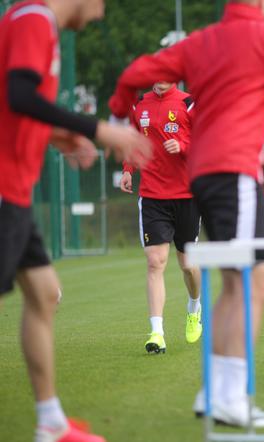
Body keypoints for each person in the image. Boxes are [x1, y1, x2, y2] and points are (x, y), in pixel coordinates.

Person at [108, 0, 264, 427]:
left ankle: (213, 392)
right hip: (235, 172)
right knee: (254, 286)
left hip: (202, 175)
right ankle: (232, 398)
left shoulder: (201, 40)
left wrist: (115, 113)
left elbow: (131, 77)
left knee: (235, 287)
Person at [0, 1, 151, 441]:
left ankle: (51, 423)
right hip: (4, 190)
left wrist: (62, 137)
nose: (102, 13)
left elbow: (15, 111)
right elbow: (20, 95)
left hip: (16, 192)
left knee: (45, 295)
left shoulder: (27, 21)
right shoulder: (34, 20)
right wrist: (97, 129)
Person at [120, 81, 202, 353]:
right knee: (156, 262)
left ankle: (194, 307)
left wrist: (183, 146)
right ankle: (157, 332)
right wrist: (128, 169)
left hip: (186, 196)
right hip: (153, 195)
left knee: (188, 264)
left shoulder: (189, 103)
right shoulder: (139, 105)